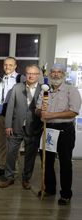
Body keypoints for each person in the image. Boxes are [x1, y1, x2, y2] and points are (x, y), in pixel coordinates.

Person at [36, 64, 81, 205]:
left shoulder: (70, 90)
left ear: (64, 74)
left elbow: (73, 112)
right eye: (53, 72)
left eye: (59, 72)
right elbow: (37, 110)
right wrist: (40, 111)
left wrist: (50, 114)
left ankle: (66, 194)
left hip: (65, 131)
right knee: (46, 161)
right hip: (48, 129)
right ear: (49, 74)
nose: (55, 75)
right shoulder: (45, 90)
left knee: (65, 163)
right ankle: (49, 188)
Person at [0, 64, 42, 189]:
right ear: (25, 74)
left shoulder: (44, 90)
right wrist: (8, 125)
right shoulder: (17, 87)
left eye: (34, 73)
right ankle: (9, 177)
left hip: (34, 128)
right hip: (16, 126)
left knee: (30, 155)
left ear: (38, 75)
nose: (31, 76)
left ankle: (26, 179)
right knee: (11, 153)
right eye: (29, 73)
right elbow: (10, 108)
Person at [0, 57, 22, 177]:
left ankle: (13, 170)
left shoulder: (20, 79)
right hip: (1, 114)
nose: (7, 67)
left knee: (13, 144)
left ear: (15, 66)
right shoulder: (0, 79)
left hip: (14, 116)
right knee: (1, 143)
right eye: (5, 65)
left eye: (10, 65)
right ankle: (2, 166)